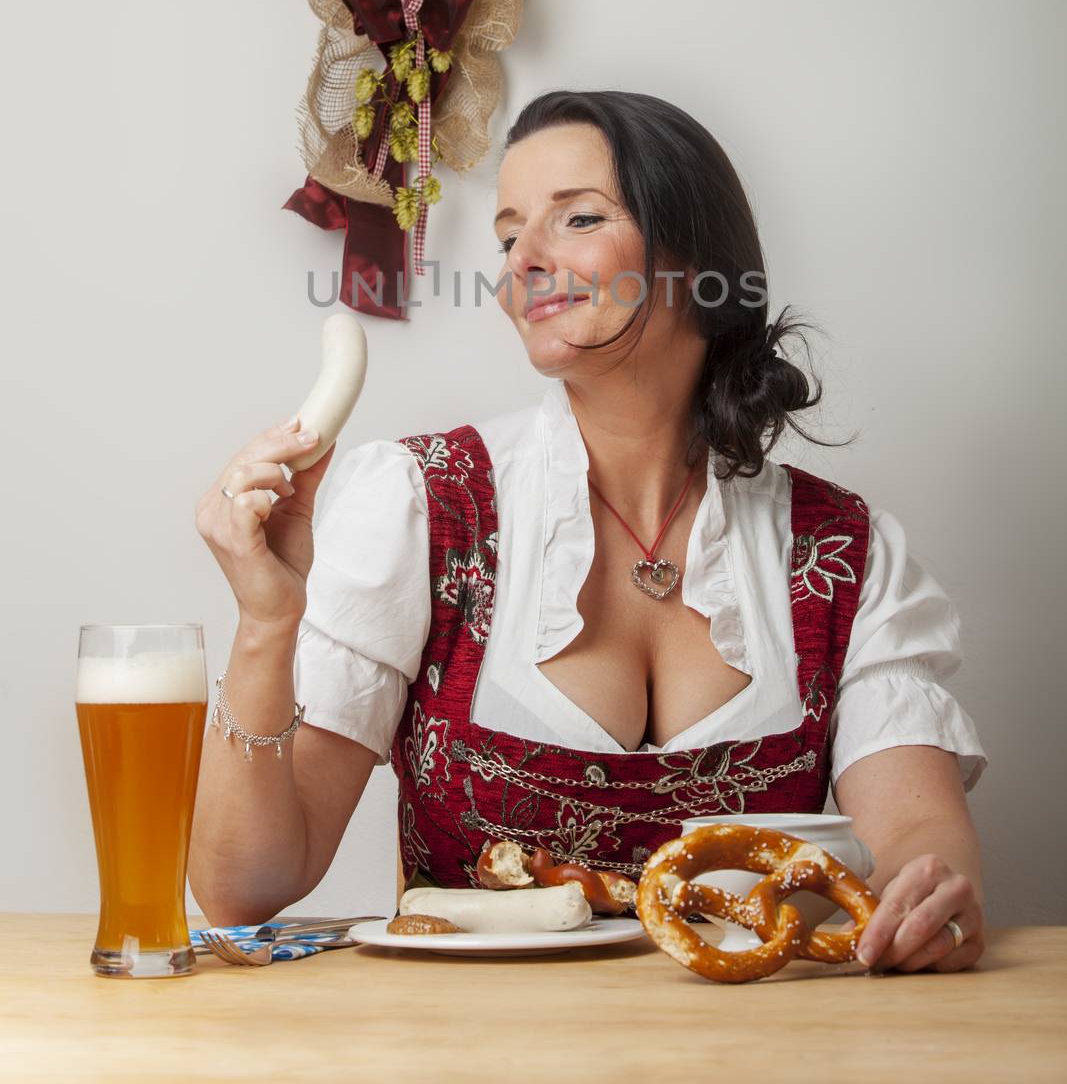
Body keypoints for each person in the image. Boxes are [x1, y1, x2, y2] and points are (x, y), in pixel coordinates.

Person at [189, 90, 986, 973]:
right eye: (506, 235)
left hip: (761, 1055)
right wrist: (267, 624)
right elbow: (243, 886)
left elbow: (914, 833)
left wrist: (929, 898)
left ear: (695, 256)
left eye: (576, 218)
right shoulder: (426, 507)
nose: (522, 261)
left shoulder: (842, 550)